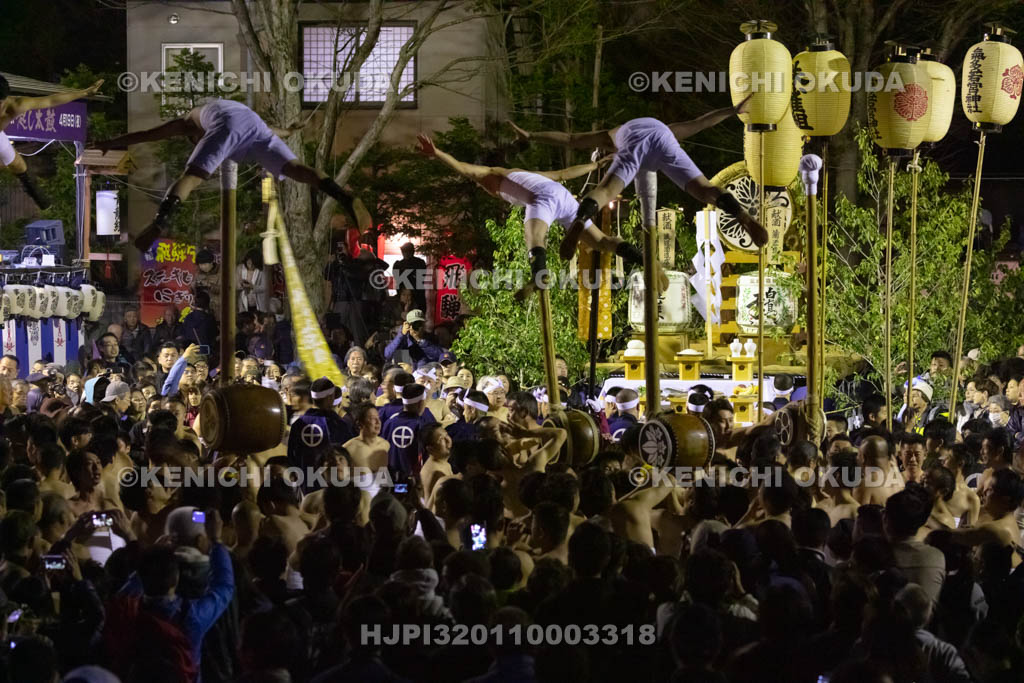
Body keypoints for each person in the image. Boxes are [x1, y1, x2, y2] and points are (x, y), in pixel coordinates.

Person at [96, 97, 371, 250]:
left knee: (191, 176)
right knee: (295, 169)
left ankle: (159, 223)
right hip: (255, 125)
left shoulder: (191, 120)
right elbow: (269, 129)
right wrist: (289, 130)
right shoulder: (227, 107)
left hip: (231, 125)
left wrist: (111, 143)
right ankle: (344, 196)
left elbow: (148, 134)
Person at [418, 135, 667, 299]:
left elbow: (462, 167)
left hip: (543, 199)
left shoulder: (489, 173)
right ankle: (644, 259)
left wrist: (437, 152)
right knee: (602, 242)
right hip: (565, 199)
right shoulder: (524, 173)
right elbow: (562, 174)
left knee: (534, 237)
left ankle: (539, 275)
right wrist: (595, 166)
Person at [507, 106, 768, 260]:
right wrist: (732, 110)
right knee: (704, 189)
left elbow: (570, 139)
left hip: (630, 142)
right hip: (664, 138)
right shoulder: (665, 129)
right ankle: (741, 215)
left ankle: (581, 217)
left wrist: (532, 135)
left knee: (606, 191)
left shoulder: (612, 135)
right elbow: (700, 122)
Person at [287, 377, 354, 476]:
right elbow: (348, 453)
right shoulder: (337, 424)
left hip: (305, 482)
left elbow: (292, 457)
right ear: (330, 397)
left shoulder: (298, 424)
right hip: (333, 482)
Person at [381, 382, 436, 476]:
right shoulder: (421, 426)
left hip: (388, 477)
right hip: (412, 480)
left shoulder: (389, 423)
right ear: (420, 403)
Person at [391, 241, 428, 312]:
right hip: (404, 294)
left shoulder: (419, 262)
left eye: (408, 251)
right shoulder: (399, 264)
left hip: (416, 295)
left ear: (412, 252)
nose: (406, 253)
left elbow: (420, 278)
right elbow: (397, 278)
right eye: (404, 251)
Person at [237, 248, 267, 313]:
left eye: (253, 264)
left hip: (259, 304)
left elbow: (264, 287)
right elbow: (235, 285)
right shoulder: (240, 268)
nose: (250, 266)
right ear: (246, 260)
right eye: (249, 263)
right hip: (244, 304)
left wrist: (252, 286)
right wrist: (241, 284)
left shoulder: (261, 270)